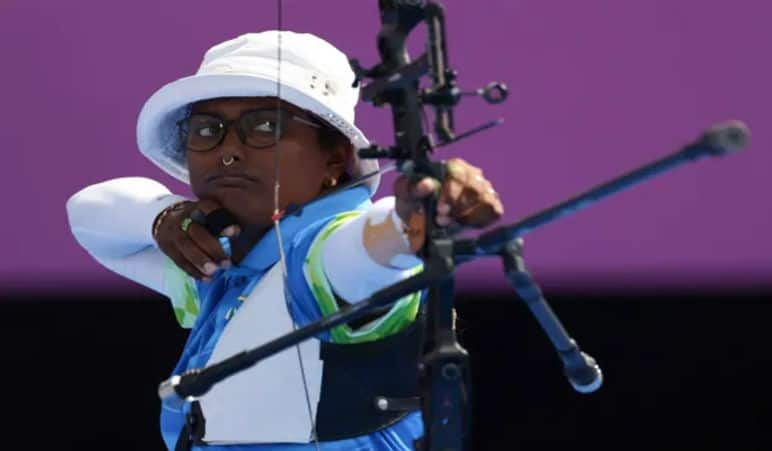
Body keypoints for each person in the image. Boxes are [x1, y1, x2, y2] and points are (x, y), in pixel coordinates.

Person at [66, 30, 503, 451]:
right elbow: (88, 212)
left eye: (264, 127)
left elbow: (364, 250)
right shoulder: (218, 263)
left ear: (335, 156)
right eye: (205, 129)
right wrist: (161, 216)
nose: (228, 151)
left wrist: (410, 217)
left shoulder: (318, 255)